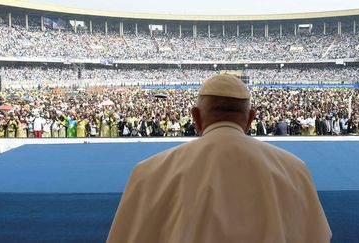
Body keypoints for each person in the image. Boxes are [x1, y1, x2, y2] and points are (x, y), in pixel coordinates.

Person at [107, 74, 331, 243]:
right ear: (250, 118)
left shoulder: (149, 171)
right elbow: (316, 236)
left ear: (195, 116)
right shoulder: (294, 168)